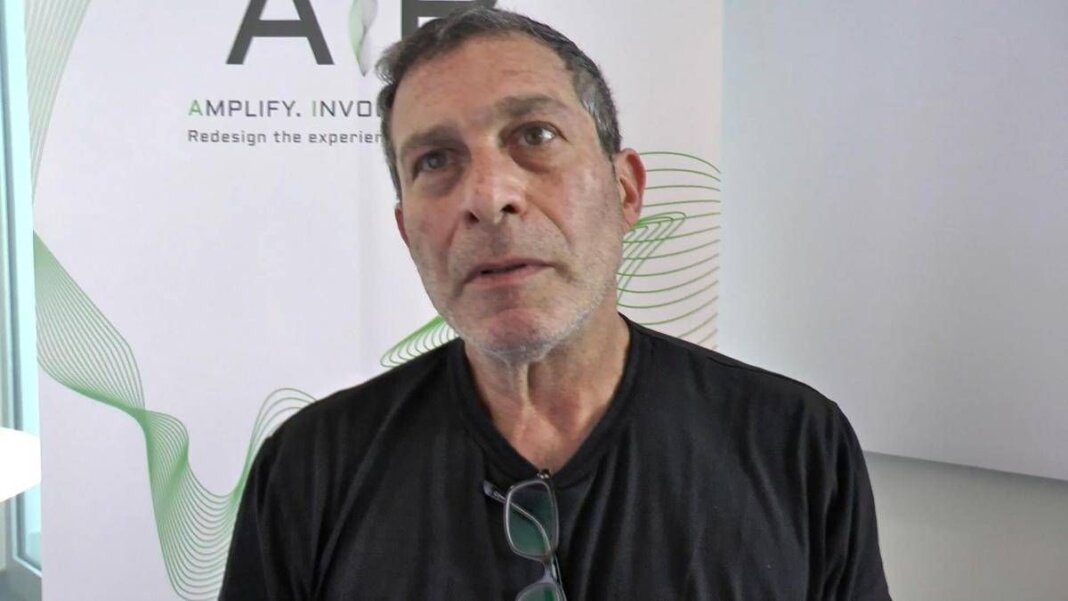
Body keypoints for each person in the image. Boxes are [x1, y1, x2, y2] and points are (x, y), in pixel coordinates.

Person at [220, 7, 892, 601]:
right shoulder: (311, 468)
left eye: (534, 135)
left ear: (625, 191)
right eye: (436, 161)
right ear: (407, 231)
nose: (489, 197)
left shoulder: (794, 443)